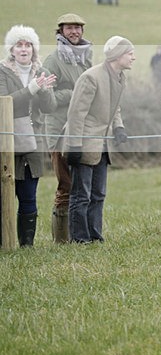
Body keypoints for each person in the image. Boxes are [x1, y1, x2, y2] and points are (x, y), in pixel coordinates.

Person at [64, 36, 134, 243]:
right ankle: (80, 239)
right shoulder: (91, 77)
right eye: (130, 53)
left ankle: (95, 236)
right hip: (84, 143)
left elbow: (115, 107)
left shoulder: (120, 77)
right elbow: (76, 114)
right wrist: (74, 145)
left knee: (98, 194)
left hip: (103, 145)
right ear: (117, 55)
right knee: (81, 195)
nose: (134, 57)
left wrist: (119, 127)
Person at [0, 25, 56, 246]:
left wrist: (45, 91)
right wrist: (32, 88)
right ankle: (4, 242)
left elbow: (49, 107)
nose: (24, 49)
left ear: (34, 49)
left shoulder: (41, 72)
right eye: (19, 45)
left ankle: (26, 245)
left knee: (29, 196)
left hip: (33, 141)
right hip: (7, 140)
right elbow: (5, 103)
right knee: (4, 196)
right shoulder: (2, 71)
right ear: (11, 50)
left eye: (28, 45)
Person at [42, 13, 93, 243]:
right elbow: (46, 98)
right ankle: (61, 240)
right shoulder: (53, 60)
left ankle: (80, 235)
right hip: (58, 131)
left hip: (80, 131)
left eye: (77, 28)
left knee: (82, 187)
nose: (74, 32)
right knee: (65, 185)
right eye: (69, 28)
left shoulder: (85, 59)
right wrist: (73, 94)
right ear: (61, 32)